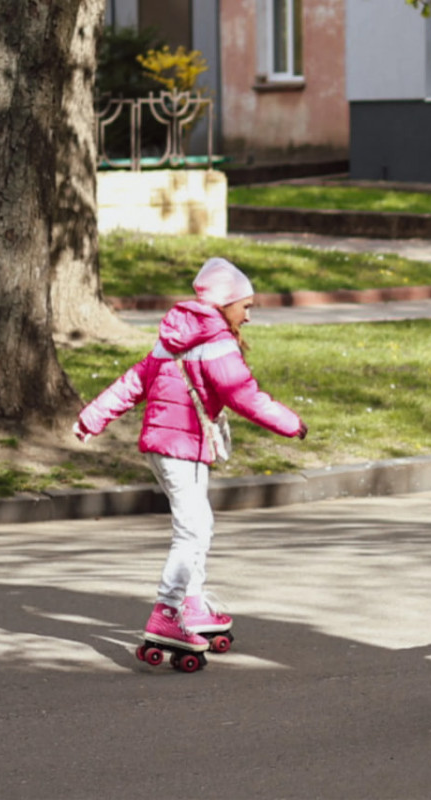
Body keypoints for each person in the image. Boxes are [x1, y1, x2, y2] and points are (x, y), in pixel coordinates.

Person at [74, 257, 308, 663]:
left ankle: (193, 603)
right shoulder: (216, 341)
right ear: (224, 304)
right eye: (245, 306)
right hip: (177, 447)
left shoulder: (175, 337)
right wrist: (292, 424)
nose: (248, 316)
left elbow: (134, 381)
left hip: (172, 446)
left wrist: (91, 417)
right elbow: (243, 395)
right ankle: (167, 610)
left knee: (201, 522)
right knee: (192, 529)